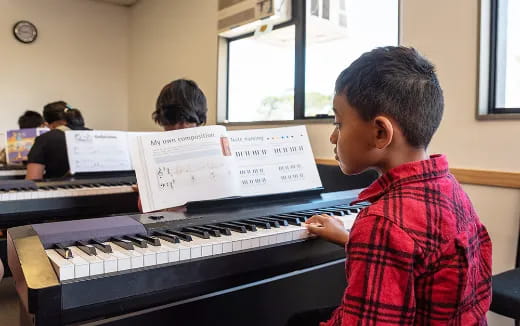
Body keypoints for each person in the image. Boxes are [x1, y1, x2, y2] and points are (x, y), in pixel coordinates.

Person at [288, 47, 492, 325]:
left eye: (339, 123)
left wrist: (367, 237)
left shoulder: (382, 223)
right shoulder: (448, 186)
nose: (334, 137)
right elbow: (421, 261)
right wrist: (351, 241)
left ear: (380, 132)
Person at [135, 78, 208, 212]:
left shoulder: (213, 147)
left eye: (184, 122)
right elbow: (144, 208)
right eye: (170, 122)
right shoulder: (153, 153)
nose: (176, 129)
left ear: (197, 120)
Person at [26, 101, 71, 179]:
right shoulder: (94, 134)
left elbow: (33, 179)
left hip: (58, 189)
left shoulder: (45, 139)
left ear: (47, 124)